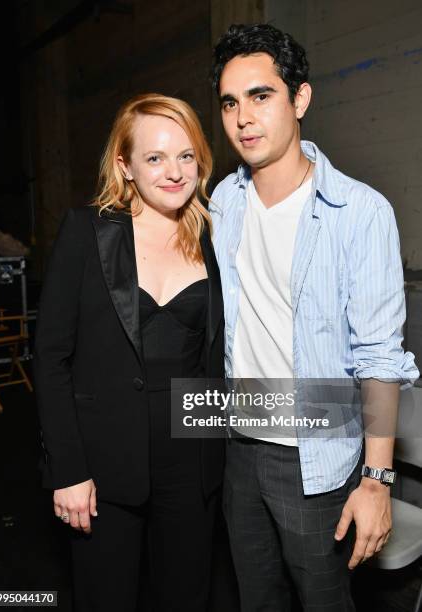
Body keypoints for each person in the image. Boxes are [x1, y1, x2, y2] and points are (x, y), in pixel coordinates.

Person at [209, 23, 419, 611]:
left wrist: (376, 483)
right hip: (237, 443)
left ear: (300, 98)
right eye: (230, 102)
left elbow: (380, 358)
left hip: (318, 456)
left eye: (261, 95)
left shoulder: (360, 212)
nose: (244, 117)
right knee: (256, 599)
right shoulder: (222, 202)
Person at [34, 93, 225, 612]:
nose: (174, 172)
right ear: (125, 165)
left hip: (193, 461)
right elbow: (50, 357)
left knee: (187, 598)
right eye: (155, 157)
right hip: (103, 463)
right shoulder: (86, 232)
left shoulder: (212, 235)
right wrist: (67, 469)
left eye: (186, 156)